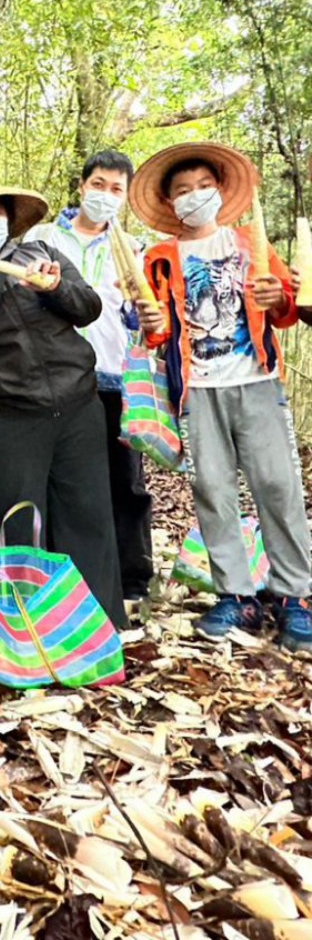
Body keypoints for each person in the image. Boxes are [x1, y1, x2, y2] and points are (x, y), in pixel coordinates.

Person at [128, 141, 312, 650]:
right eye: (183, 191)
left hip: (256, 381)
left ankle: (294, 594)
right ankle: (235, 594)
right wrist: (149, 322)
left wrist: (280, 298)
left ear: (219, 190)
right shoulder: (161, 259)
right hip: (198, 389)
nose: (194, 197)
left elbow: (288, 309)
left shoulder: (250, 242)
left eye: (203, 187)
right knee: (212, 489)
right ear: (170, 204)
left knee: (277, 485)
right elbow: (157, 330)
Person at [0, 171, 127, 628]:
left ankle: (96, 628)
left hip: (78, 404)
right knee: (17, 524)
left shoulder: (42, 253)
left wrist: (55, 288)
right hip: (12, 414)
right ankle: (23, 633)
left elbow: (88, 307)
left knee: (88, 517)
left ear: (9, 217)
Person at [24, 150, 154, 601]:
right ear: (82, 187)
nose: (105, 196)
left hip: (113, 375)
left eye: (116, 189)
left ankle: (131, 581)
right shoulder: (42, 237)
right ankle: (59, 574)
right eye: (98, 185)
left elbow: (140, 322)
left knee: (124, 480)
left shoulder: (133, 249)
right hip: (52, 375)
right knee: (61, 479)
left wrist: (139, 304)